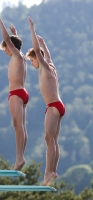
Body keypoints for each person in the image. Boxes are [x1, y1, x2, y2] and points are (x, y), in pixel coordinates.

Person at [26, 16, 65, 185]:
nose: (32, 62)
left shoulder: (43, 65)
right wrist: (44, 44)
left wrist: (33, 30)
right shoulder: (50, 64)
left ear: (37, 57)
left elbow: (38, 50)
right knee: (53, 140)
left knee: (49, 139)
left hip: (53, 106)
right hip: (58, 105)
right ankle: (53, 171)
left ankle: (48, 172)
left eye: (32, 59)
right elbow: (46, 54)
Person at [0, 11, 29, 171]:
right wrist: (16, 35)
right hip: (21, 93)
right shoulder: (19, 56)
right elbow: (16, 44)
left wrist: (0, 20)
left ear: (11, 47)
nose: (5, 50)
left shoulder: (16, 56)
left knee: (18, 126)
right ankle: (20, 157)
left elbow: (7, 41)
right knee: (21, 126)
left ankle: (19, 158)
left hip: (16, 93)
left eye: (6, 48)